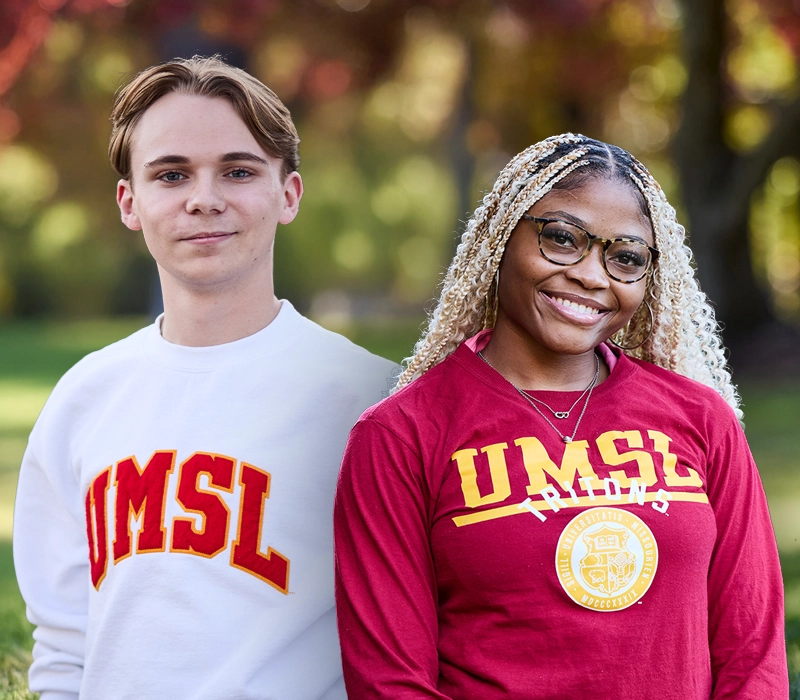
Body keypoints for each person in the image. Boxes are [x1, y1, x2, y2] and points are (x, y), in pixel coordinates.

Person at [334, 133, 788, 699]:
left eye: (624, 258)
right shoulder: (400, 435)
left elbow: (753, 656)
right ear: (500, 238)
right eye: (563, 239)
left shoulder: (700, 418)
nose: (592, 276)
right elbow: (390, 681)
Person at [13, 55, 394, 700]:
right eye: (171, 174)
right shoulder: (85, 398)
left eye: (239, 171)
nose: (205, 199)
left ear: (289, 193)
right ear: (130, 203)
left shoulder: (369, 399)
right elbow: (63, 640)